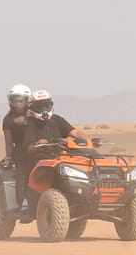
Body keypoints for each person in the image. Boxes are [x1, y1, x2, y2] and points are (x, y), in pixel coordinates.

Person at [19, 89, 88, 222]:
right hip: (39, 158)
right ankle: (28, 202)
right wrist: (40, 143)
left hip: (60, 156)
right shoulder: (29, 124)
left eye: (46, 105)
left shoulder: (57, 120)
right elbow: (28, 148)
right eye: (40, 106)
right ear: (32, 107)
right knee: (45, 163)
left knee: (81, 161)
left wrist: (89, 140)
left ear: (51, 105)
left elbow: (75, 133)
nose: (44, 109)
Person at [1, 83, 32, 213]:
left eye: (21, 101)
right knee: (22, 174)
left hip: (38, 149)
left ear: (27, 101)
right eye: (15, 101)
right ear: (10, 102)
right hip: (20, 151)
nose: (18, 104)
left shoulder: (34, 116)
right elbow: (9, 142)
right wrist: (9, 156)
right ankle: (23, 201)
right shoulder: (8, 120)